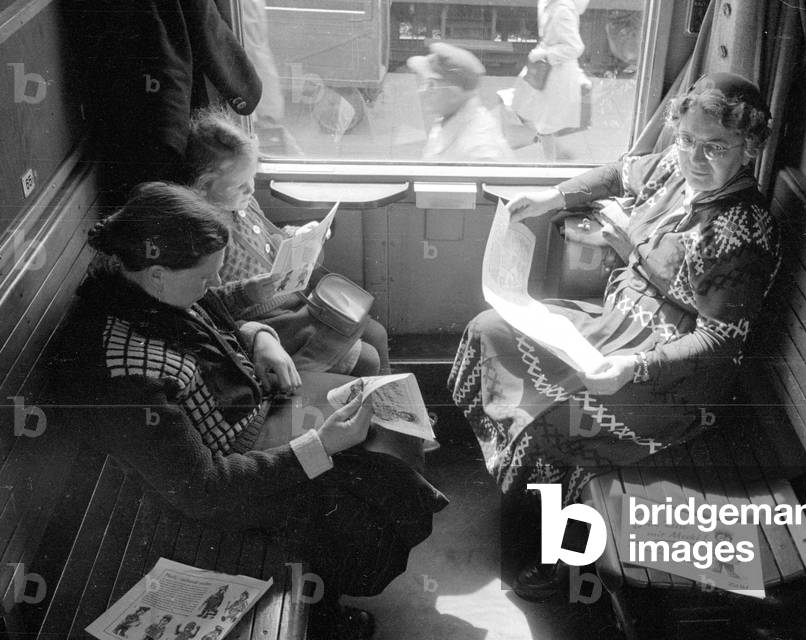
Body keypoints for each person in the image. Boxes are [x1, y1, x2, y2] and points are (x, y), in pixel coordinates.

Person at [50, 183, 448, 638]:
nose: (210, 288)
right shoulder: (126, 375)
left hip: (247, 415)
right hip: (228, 478)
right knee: (357, 484)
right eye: (204, 279)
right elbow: (206, 488)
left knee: (379, 411)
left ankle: (353, 563)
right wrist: (323, 445)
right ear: (158, 273)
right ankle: (326, 610)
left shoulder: (146, 292)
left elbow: (207, 327)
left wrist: (261, 336)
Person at [449, 72, 780, 599]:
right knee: (489, 329)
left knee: (550, 419)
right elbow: (619, 174)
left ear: (750, 147)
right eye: (687, 139)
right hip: (614, 323)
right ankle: (517, 488)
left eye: (715, 147)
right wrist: (551, 197)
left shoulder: (741, 229)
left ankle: (558, 556)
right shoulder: (677, 168)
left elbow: (719, 341)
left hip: (670, 367)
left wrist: (635, 367)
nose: (695, 157)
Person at [183, 108, 391, 376]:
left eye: (252, 179)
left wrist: (297, 237)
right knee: (368, 359)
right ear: (203, 186)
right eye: (240, 186)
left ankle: (394, 402)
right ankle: (378, 405)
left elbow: (269, 240)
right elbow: (204, 304)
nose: (250, 190)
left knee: (377, 333)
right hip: (264, 320)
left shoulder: (245, 206)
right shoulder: (204, 235)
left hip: (291, 303)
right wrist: (246, 292)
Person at [511, 0, 592, 161]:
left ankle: (550, 166)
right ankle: (553, 151)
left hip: (556, 74)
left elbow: (575, 47)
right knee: (522, 107)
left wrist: (545, 54)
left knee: (546, 123)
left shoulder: (562, 10)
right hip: (544, 70)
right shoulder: (547, 3)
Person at [408, 42, 514, 162]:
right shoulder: (448, 117)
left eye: (431, 84)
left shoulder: (480, 152)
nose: (422, 91)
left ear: (453, 93)